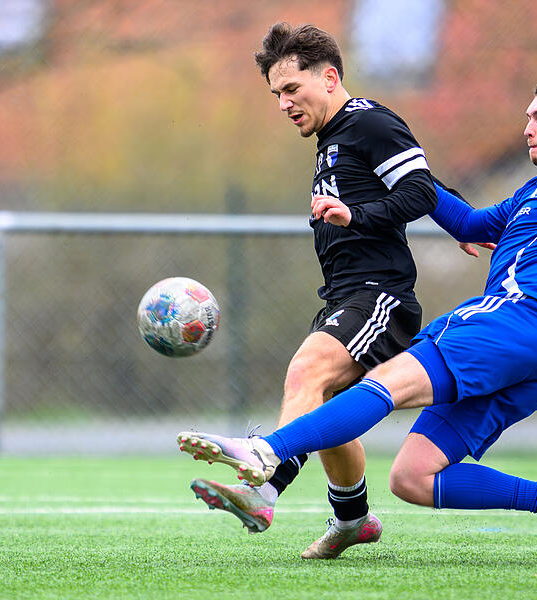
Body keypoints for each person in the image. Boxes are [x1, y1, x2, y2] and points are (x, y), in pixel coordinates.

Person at [179, 75, 537, 565]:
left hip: (513, 320)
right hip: (532, 354)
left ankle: (267, 451)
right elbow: (470, 223)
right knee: (413, 477)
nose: (527, 127)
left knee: (384, 384)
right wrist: (408, 172)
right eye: (528, 117)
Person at [181, 22, 450, 559]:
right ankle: (352, 519)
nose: (284, 103)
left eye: (291, 89)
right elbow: (421, 181)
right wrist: (463, 222)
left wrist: (356, 214)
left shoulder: (368, 121)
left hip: (381, 295)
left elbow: (420, 189)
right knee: (324, 403)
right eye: (276, 94)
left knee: (306, 372)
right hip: (345, 295)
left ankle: (264, 488)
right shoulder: (334, 136)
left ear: (329, 78)